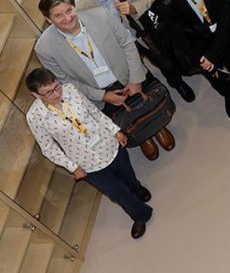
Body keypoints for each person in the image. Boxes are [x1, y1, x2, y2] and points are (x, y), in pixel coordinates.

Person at [33, 0, 173, 162]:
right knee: (126, 119)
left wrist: (135, 80)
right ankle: (143, 136)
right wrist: (103, 96)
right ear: (49, 19)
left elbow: (127, 44)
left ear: (74, 7)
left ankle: (157, 126)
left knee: (146, 102)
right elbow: (66, 82)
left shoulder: (101, 15)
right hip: (97, 91)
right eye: (58, 15)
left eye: (69, 10)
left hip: (127, 74)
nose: (67, 18)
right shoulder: (44, 48)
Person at [25, 68, 153, 239]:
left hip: (108, 145)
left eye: (56, 87)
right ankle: (140, 214)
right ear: (36, 95)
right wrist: (72, 167)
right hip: (87, 164)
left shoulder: (70, 90)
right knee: (116, 192)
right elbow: (48, 148)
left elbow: (94, 112)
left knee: (127, 174)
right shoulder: (35, 117)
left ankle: (136, 188)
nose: (56, 94)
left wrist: (115, 130)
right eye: (48, 93)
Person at [73, 0, 192, 103]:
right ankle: (154, 91)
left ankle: (177, 83)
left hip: (141, 35)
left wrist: (134, 7)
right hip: (116, 44)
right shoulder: (81, 7)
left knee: (164, 62)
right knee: (136, 71)